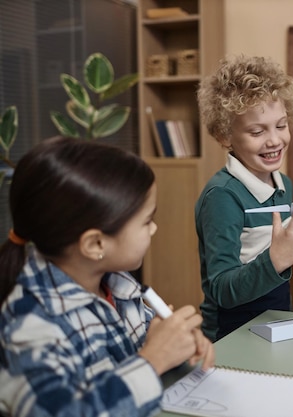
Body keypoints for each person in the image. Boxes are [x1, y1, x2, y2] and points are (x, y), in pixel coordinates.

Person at [0, 137, 215, 416]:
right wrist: (153, 359)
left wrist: (176, 346)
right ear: (95, 244)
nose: (154, 229)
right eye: (146, 221)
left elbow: (144, 353)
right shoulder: (30, 324)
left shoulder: (118, 282)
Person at [195, 55, 293, 341]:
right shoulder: (222, 197)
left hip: (274, 323)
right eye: (256, 131)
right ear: (224, 135)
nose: (275, 140)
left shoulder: (283, 184)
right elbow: (222, 291)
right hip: (232, 335)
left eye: (280, 125)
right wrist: (277, 257)